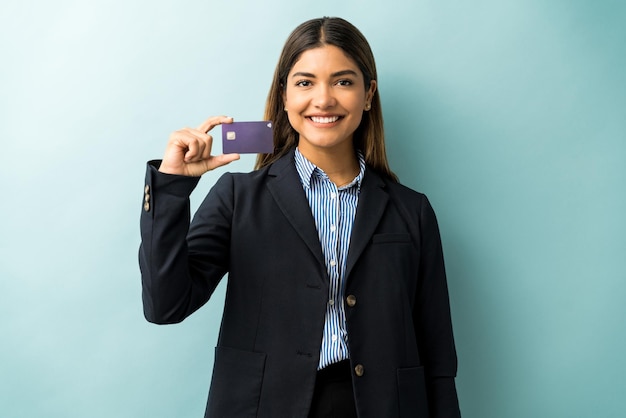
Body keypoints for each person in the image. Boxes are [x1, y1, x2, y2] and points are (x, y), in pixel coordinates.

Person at [139, 17, 461, 418]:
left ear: (367, 94)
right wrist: (171, 187)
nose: (323, 100)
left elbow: (439, 358)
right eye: (305, 83)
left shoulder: (411, 210)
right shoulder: (238, 198)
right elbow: (165, 305)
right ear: (285, 96)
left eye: (343, 82)